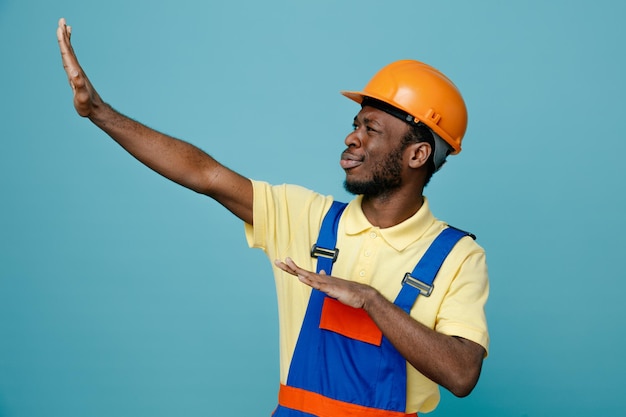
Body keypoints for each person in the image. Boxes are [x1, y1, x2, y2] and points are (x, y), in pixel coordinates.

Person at [57, 17, 489, 416]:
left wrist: (371, 300)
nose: (350, 138)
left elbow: (462, 374)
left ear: (418, 154)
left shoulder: (457, 258)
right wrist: (100, 112)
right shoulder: (306, 218)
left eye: (370, 129)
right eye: (355, 123)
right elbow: (205, 174)